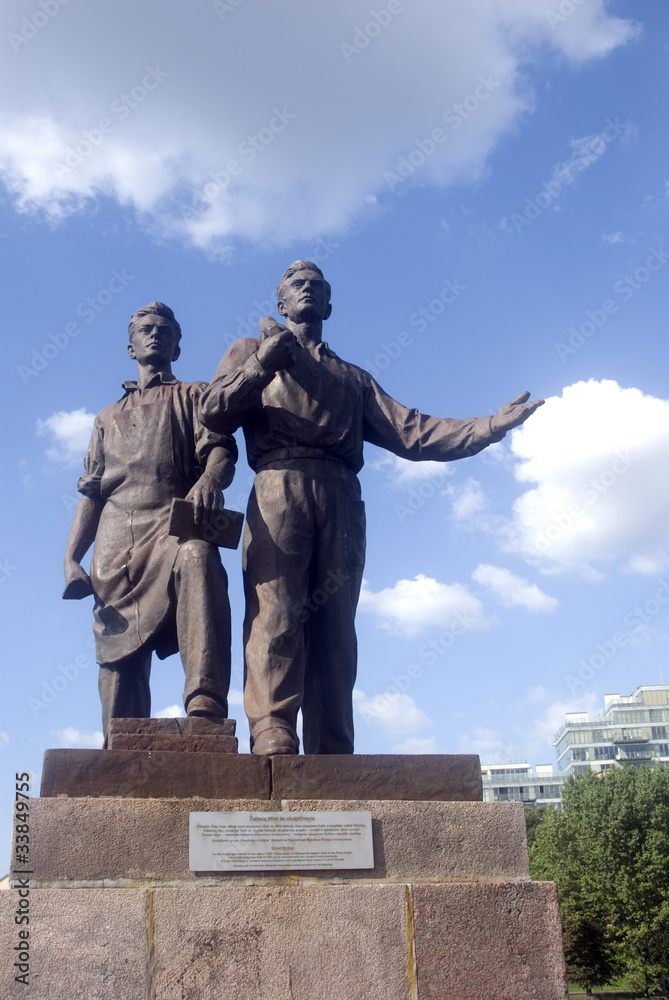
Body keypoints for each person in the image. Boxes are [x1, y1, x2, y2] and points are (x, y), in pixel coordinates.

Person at [200, 263, 543, 756]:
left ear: (330, 306)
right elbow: (213, 411)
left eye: (318, 286)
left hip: (341, 496)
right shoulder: (250, 351)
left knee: (336, 628)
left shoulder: (352, 378)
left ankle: (333, 742)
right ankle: (273, 727)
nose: (308, 289)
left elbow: (414, 432)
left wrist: (488, 426)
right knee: (275, 611)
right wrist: (261, 367)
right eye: (297, 285)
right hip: (279, 483)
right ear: (280, 303)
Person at [63, 302, 237, 743]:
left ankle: (205, 705)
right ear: (130, 346)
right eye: (144, 329)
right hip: (116, 539)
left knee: (199, 557)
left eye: (164, 329)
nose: (154, 334)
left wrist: (211, 479)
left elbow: (219, 448)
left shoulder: (195, 394)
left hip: (174, 524)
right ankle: (119, 741)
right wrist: (70, 559)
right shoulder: (106, 417)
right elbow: (91, 493)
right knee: (117, 659)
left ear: (177, 346)